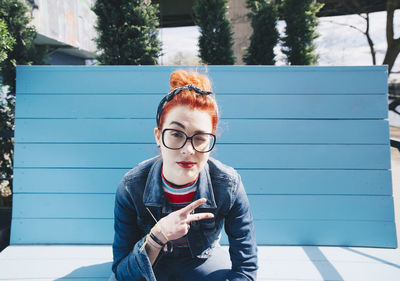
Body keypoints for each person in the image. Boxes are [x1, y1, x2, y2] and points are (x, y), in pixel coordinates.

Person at [110, 70, 258, 281]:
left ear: (211, 141)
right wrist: (157, 236)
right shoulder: (131, 186)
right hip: (149, 261)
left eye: (200, 138)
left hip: (202, 260)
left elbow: (245, 268)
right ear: (158, 136)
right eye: (176, 134)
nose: (188, 150)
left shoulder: (229, 185)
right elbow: (123, 272)